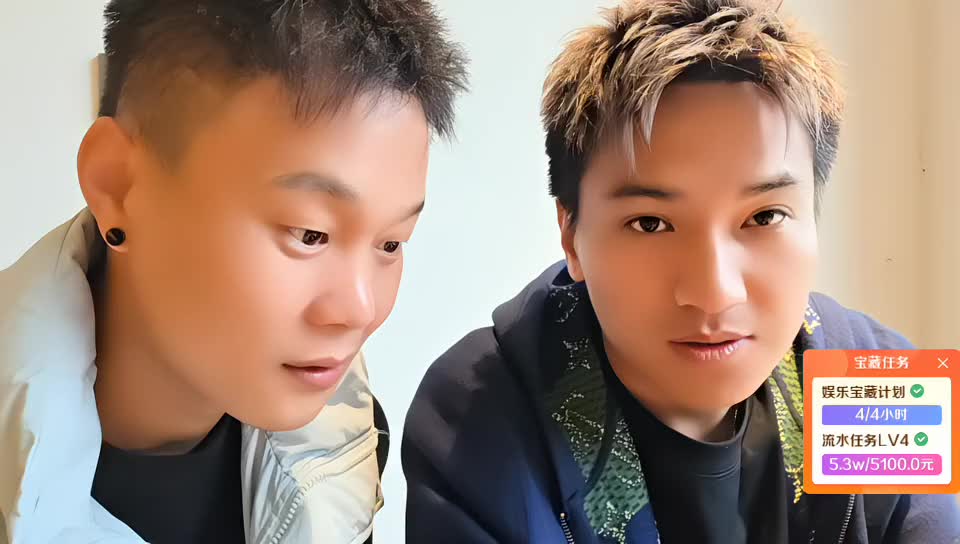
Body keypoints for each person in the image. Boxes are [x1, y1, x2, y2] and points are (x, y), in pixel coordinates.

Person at [402, 0, 960, 542]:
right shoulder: (479, 415)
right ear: (571, 233)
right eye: (650, 223)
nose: (715, 292)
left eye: (764, 216)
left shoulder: (874, 383)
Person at [0, 0, 466, 542]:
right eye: (310, 234)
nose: (361, 309)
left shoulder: (345, 446)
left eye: (390, 244)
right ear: (117, 186)